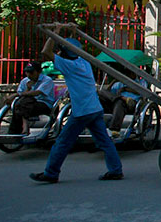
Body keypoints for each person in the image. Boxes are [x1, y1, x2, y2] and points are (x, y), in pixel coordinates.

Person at [29, 23, 123, 184]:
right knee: (105, 142)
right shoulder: (83, 62)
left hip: (82, 111)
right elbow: (71, 50)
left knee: (63, 142)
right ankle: (115, 170)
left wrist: (56, 32)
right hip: (94, 108)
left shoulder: (69, 65)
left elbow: (46, 52)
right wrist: (72, 32)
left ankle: (51, 173)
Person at [5, 61, 55, 135]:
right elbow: (21, 93)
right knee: (20, 103)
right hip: (26, 105)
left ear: (39, 72)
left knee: (23, 102)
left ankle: (19, 129)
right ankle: (21, 128)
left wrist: (15, 95)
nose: (29, 75)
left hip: (44, 104)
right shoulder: (25, 81)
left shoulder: (47, 80)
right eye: (27, 72)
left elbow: (36, 93)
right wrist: (27, 89)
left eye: (31, 72)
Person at [98, 67, 146, 136]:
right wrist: (114, 81)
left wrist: (126, 89)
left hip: (132, 104)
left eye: (130, 72)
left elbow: (143, 92)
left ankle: (114, 129)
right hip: (117, 103)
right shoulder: (119, 84)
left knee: (119, 102)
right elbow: (108, 93)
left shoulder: (140, 82)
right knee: (101, 92)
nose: (129, 75)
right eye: (127, 73)